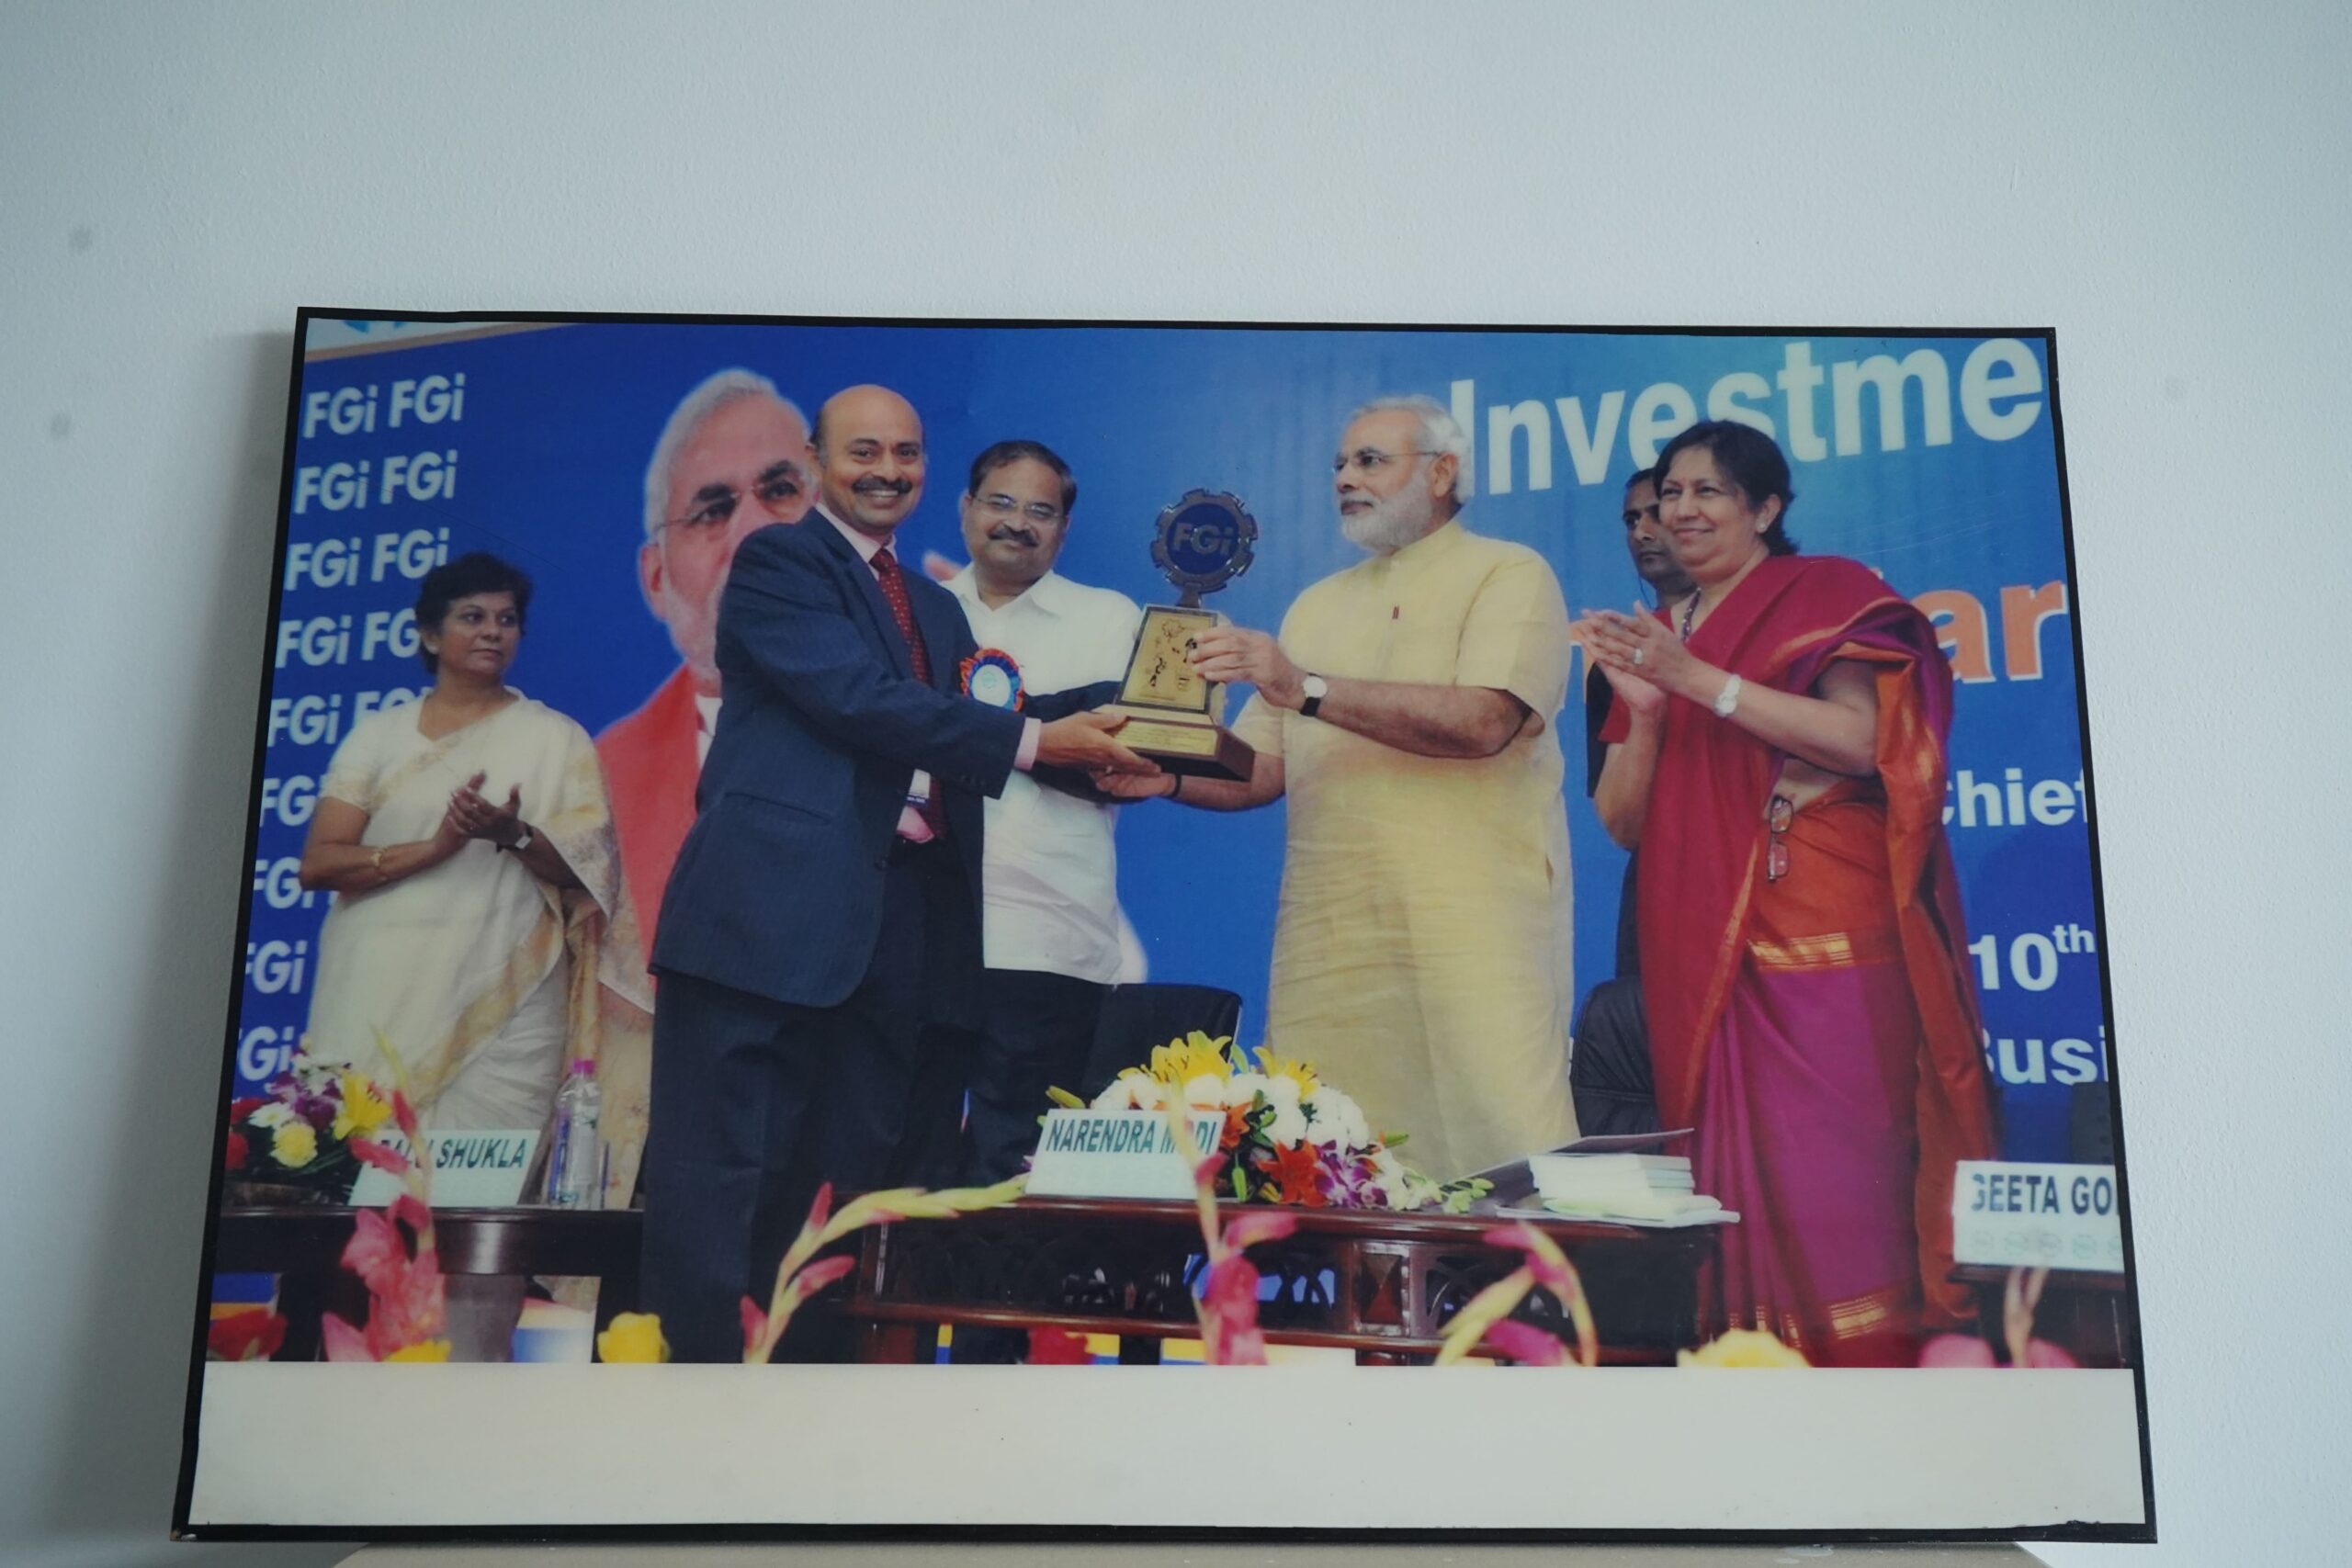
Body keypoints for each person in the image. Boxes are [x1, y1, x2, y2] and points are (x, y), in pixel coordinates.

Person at [639, 385, 1153, 1363]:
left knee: (850, 1203)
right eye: (864, 450)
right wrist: (1042, 742)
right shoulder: (780, 561)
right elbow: (859, 697)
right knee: (726, 1190)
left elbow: (980, 730)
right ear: (815, 460)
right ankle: (696, 1415)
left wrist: (1144, 715)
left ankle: (822, 1409)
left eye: (906, 453)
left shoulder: (933, 607)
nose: (887, 470)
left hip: (892, 948)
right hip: (767, 928)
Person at [1576, 418, 1996, 1366]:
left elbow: (1861, 740)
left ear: (1765, 509)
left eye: (1708, 491)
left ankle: (1869, 1374)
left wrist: (1702, 682)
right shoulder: (1652, 641)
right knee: (1728, 1182)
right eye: (1668, 494)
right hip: (1693, 945)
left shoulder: (1824, 594)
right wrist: (1648, 711)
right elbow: (1625, 825)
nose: (1681, 510)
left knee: (1834, 1169)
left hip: (1817, 932)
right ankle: (1747, 1371)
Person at [1104, 394, 1579, 1181]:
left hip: (1471, 929)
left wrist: (1306, 686)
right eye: (1339, 464)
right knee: (1333, 1159)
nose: (1345, 479)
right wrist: (1166, 771)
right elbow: (1261, 769)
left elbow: (1484, 721)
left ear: (1442, 473)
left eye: (1370, 460)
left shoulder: (1509, 573)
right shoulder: (1316, 604)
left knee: (1505, 1155)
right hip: (1333, 939)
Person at [299, 551, 650, 1359]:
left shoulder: (554, 740)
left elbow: (593, 875)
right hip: (374, 1001)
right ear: (429, 633)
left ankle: (467, 1387)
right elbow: (321, 861)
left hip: (504, 1017)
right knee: (359, 1214)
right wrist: (436, 847)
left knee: (477, 1216)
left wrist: (513, 832)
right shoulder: (378, 736)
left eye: (506, 618)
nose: (492, 631)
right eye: (471, 616)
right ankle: (340, 1389)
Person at [938, 439, 1144, 1362]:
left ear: (1064, 527)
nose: (1016, 523)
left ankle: (995, 1377)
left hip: (1047, 936)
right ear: (964, 508)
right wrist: (1046, 727)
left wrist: (964, 728)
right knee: (908, 1163)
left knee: (1016, 1165)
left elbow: (1119, 756)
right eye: (999, 502)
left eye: (1040, 510)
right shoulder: (920, 613)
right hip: (920, 929)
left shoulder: (1109, 617)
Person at [596, 370, 815, 963]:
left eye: (780, 490)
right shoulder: (600, 783)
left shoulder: (936, 681)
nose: (752, 532)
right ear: (657, 581)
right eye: (713, 511)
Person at [1569, 466, 1694, 1136]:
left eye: (1657, 511)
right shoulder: (1613, 664)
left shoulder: (1764, 634)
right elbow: (1622, 824)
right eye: (1630, 519)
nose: (1643, 530)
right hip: (1661, 893)